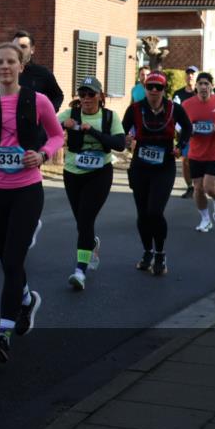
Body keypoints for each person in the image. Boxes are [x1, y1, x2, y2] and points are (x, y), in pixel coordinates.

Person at [0, 42, 64, 362]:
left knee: (10, 262)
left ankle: (3, 334)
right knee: (8, 260)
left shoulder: (39, 101)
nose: (5, 67)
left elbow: (57, 135)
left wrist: (43, 154)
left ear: (21, 66)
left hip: (27, 190)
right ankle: (27, 299)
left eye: (11, 62)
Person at [58, 76, 125, 290]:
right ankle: (92, 243)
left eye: (91, 94)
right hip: (72, 172)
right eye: (83, 94)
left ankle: (80, 271)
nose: (86, 98)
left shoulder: (109, 116)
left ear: (100, 96)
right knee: (81, 222)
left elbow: (120, 144)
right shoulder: (71, 114)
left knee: (85, 219)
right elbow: (48, 128)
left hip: (99, 173)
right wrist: (62, 124)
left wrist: (92, 130)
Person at [122, 71, 192, 276]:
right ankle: (147, 252)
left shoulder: (174, 109)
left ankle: (160, 253)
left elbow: (187, 128)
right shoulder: (135, 109)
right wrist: (125, 140)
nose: (154, 90)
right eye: (150, 86)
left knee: (155, 211)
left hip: (164, 166)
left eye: (158, 87)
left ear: (164, 90)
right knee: (143, 214)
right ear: (144, 88)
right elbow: (122, 130)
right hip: (140, 166)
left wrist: (181, 146)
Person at [11, 30, 64, 248]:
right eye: (16, 46)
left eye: (23, 46)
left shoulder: (42, 74)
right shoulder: (6, 71)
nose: (19, 50)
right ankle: (20, 222)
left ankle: (30, 223)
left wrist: (47, 113)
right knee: (12, 178)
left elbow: (57, 95)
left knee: (29, 177)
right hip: (10, 134)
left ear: (32, 50)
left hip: (35, 134)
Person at [181, 72, 215, 232]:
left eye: (207, 84)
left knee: (209, 188)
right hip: (196, 153)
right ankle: (205, 219)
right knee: (198, 189)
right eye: (201, 84)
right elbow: (178, 123)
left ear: (211, 86)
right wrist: (187, 130)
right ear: (196, 86)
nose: (204, 87)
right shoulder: (187, 104)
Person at [174, 66, 198, 199]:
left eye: (193, 74)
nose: (190, 76)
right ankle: (190, 187)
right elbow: (175, 114)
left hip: (200, 133)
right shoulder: (179, 94)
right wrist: (180, 129)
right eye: (188, 74)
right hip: (185, 133)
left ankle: (199, 185)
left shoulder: (201, 93)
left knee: (198, 160)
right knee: (186, 160)